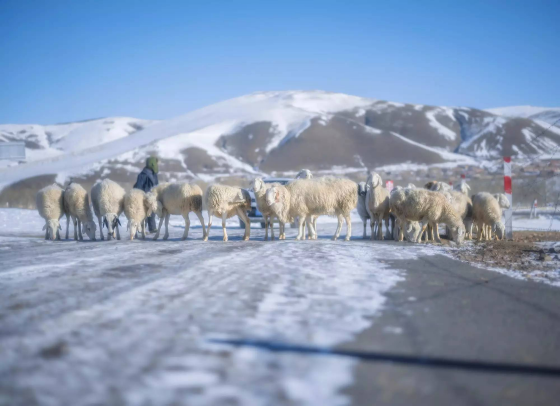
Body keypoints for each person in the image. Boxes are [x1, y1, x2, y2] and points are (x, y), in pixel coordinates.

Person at [133, 156, 159, 233]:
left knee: (151, 212)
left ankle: (152, 228)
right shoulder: (143, 174)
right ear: (152, 164)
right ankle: (141, 229)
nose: (157, 165)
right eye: (156, 163)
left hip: (151, 197)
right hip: (143, 196)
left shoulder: (154, 174)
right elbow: (138, 187)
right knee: (144, 213)